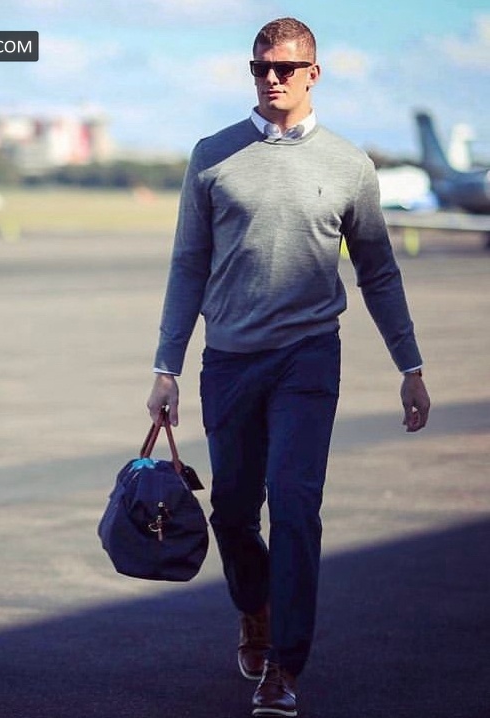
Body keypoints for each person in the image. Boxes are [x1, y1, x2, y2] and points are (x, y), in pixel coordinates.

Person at [147, 16, 430, 718]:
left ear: (313, 74)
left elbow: (377, 271)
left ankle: (283, 666)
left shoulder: (348, 165)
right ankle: (256, 609)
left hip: (307, 358)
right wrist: (166, 366)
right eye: (260, 67)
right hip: (229, 361)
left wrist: (410, 363)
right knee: (234, 512)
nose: (271, 78)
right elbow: (187, 264)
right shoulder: (212, 156)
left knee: (296, 506)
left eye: (284, 67)